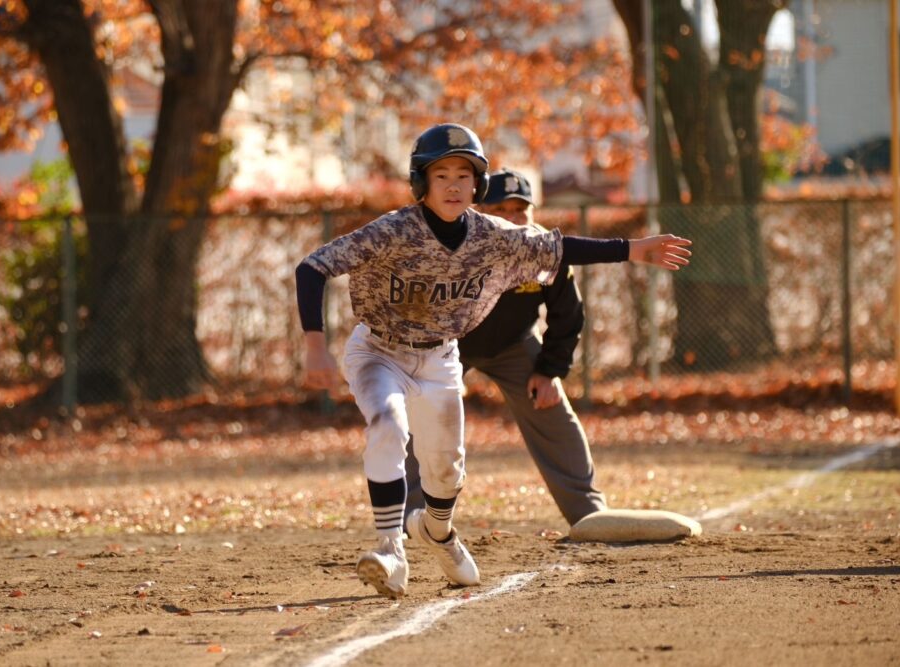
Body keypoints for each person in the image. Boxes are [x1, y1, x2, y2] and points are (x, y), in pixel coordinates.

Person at [296, 123, 691, 599]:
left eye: (464, 176)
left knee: (446, 468)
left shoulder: (494, 236)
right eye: (441, 175)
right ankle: (389, 548)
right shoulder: (395, 230)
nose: (453, 185)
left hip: (441, 355)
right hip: (380, 351)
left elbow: (560, 249)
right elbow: (313, 267)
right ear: (420, 183)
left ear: (477, 186)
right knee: (388, 423)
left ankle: (438, 532)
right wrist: (315, 343)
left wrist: (632, 251)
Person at [403, 168, 606, 528]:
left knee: (552, 408)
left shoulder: (543, 249)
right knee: (423, 415)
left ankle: (589, 514)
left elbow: (568, 315)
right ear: (480, 212)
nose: (513, 219)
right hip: (449, 342)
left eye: (520, 210)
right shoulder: (456, 244)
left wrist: (549, 371)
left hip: (515, 343)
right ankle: (409, 519)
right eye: (502, 210)